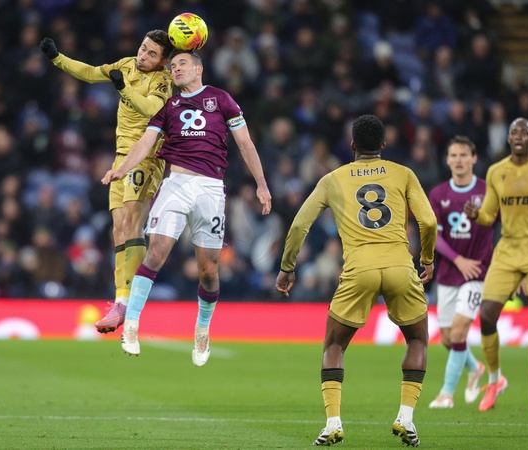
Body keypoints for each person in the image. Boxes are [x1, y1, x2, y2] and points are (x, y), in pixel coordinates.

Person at [101, 49, 271, 366]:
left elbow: (245, 144)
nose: (176, 69)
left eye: (182, 64)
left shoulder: (222, 99)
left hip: (211, 189)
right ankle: (132, 326)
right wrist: (122, 169)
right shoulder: (169, 107)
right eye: (173, 65)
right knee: (156, 252)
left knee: (209, 271)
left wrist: (261, 183)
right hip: (175, 185)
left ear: (198, 69)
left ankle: (202, 329)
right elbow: (145, 142)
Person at [275, 114, 437, 447]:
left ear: (351, 146)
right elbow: (429, 222)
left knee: (334, 345)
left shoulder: (332, 178)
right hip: (399, 265)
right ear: (384, 145)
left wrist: (287, 266)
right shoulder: (403, 173)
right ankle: (405, 417)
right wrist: (427, 259)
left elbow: (299, 225)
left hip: (359, 269)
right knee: (418, 341)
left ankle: (333, 423)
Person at [39, 31, 174, 333]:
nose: (143, 56)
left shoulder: (163, 81)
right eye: (143, 48)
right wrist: (57, 58)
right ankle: (120, 299)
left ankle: (131, 303)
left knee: (132, 222)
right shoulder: (126, 64)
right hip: (120, 159)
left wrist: (123, 87)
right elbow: (90, 73)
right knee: (118, 229)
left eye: (152, 54)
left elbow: (151, 109)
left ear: (163, 62)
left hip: (147, 157)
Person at [464, 117, 528, 413]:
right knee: (487, 316)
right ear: (508, 138)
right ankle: (495, 381)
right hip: (508, 248)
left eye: (525, 132)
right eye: (514, 131)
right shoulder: (496, 171)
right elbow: (490, 215)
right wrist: (477, 215)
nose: (518, 136)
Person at [427, 136, 494, 409]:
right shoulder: (438, 194)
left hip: (477, 271)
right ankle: (475, 367)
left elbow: (503, 225)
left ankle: (446, 394)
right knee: (447, 337)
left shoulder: (488, 191)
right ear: (447, 160)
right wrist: (458, 260)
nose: (458, 160)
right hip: (449, 271)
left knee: (458, 332)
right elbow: (435, 236)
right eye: (453, 155)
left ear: (474, 158)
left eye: (464, 155)